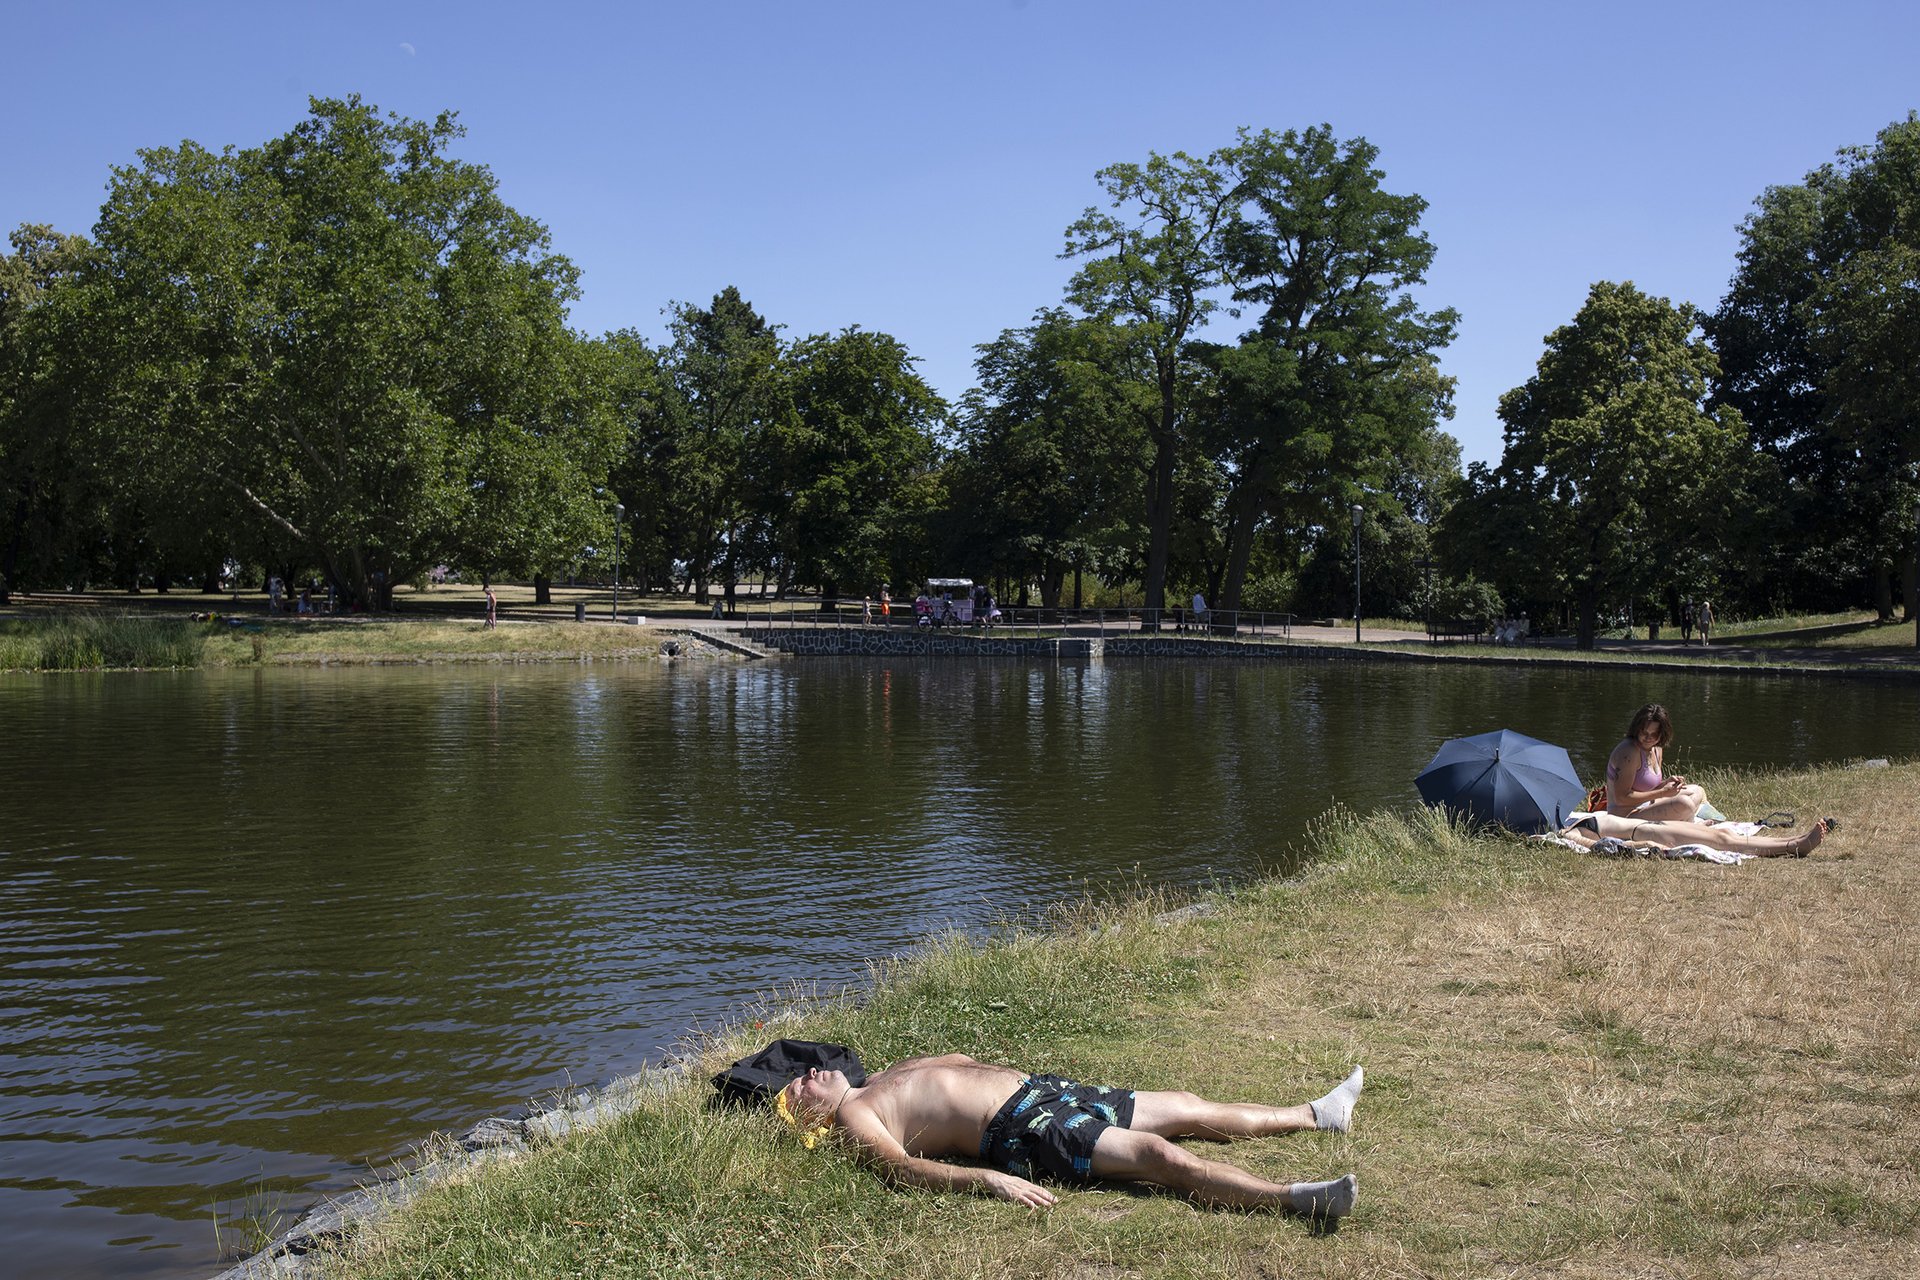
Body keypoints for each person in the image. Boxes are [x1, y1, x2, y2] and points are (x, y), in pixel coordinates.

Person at [775, 1053, 1362, 1218]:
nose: (809, 1074)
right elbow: (903, 1168)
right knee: (1158, 1156)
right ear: (807, 1116)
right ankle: (1296, 1199)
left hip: (1043, 1091)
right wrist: (988, 1180)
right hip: (1021, 1129)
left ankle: (1316, 1115)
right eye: (799, 1086)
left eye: (805, 1072)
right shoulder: (853, 1117)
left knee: (1185, 1105)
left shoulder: (877, 1078)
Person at [1560, 811, 1836, 859]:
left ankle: (1790, 842)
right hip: (1646, 831)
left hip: (1652, 823)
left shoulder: (1570, 815)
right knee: (1724, 842)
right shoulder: (1567, 832)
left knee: (1723, 833)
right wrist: (1644, 844)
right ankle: (1794, 845)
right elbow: (1602, 846)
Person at [1605, 703, 1709, 820]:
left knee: (1697, 791)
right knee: (1684, 803)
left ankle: (1684, 820)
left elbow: (1650, 789)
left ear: (1662, 733)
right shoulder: (1629, 752)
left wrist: (1666, 783)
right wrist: (1663, 792)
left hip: (1646, 806)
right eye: (1644, 732)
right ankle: (1686, 822)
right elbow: (1621, 798)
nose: (1648, 738)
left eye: (1654, 734)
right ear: (1636, 729)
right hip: (1624, 815)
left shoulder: (1656, 749)